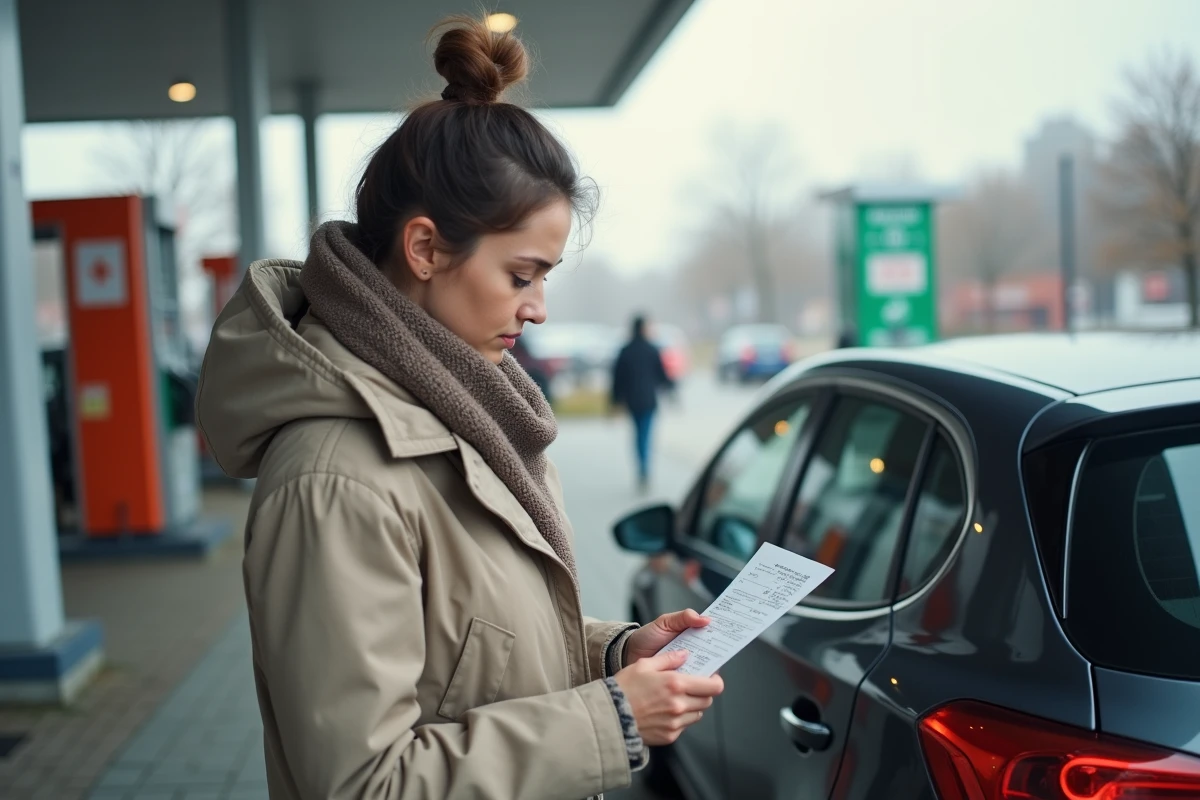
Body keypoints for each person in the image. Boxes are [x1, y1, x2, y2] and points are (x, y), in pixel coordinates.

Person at [194, 15, 722, 800]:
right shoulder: (338, 478)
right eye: (520, 275)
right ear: (424, 250)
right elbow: (361, 782)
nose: (538, 308)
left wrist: (619, 658)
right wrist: (610, 719)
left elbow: (479, 657)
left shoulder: (465, 417)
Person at [611, 315, 674, 491]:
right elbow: (662, 376)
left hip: (632, 401)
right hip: (648, 401)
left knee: (638, 436)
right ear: (643, 328)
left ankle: (641, 467)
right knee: (646, 436)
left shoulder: (625, 350)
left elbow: (617, 379)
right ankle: (645, 468)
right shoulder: (652, 349)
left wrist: (615, 401)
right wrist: (671, 389)